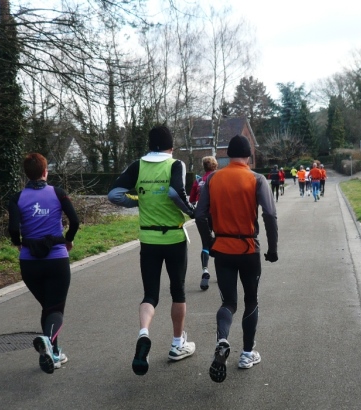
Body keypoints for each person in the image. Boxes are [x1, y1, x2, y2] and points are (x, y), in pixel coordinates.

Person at [108, 125, 196, 376]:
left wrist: (138, 200)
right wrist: (191, 211)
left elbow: (114, 194)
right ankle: (177, 344)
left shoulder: (138, 165)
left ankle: (144, 333)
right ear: (171, 147)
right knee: (178, 291)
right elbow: (175, 192)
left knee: (150, 294)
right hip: (174, 238)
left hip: (148, 239)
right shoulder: (175, 164)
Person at [195, 135, 279, 383]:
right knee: (251, 299)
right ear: (249, 157)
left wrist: (209, 243)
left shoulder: (213, 179)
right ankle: (247, 353)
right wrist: (272, 248)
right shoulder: (256, 179)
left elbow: (200, 215)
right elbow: (270, 215)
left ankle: (222, 339)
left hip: (222, 248)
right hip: (248, 249)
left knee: (229, 302)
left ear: (228, 155)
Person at [8, 153, 80, 374]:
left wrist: (18, 243)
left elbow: (13, 228)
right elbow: (75, 220)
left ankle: (54, 353)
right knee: (55, 308)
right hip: (56, 259)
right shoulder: (58, 193)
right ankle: (49, 342)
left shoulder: (17, 198)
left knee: (48, 307)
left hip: (30, 263)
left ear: (26, 174)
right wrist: (68, 240)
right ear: (45, 172)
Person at [189, 156, 218, 290]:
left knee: (205, 244)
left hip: (202, 216)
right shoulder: (219, 178)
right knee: (220, 242)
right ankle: (220, 271)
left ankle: (205, 270)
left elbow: (192, 200)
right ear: (215, 165)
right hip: (217, 215)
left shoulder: (198, 181)